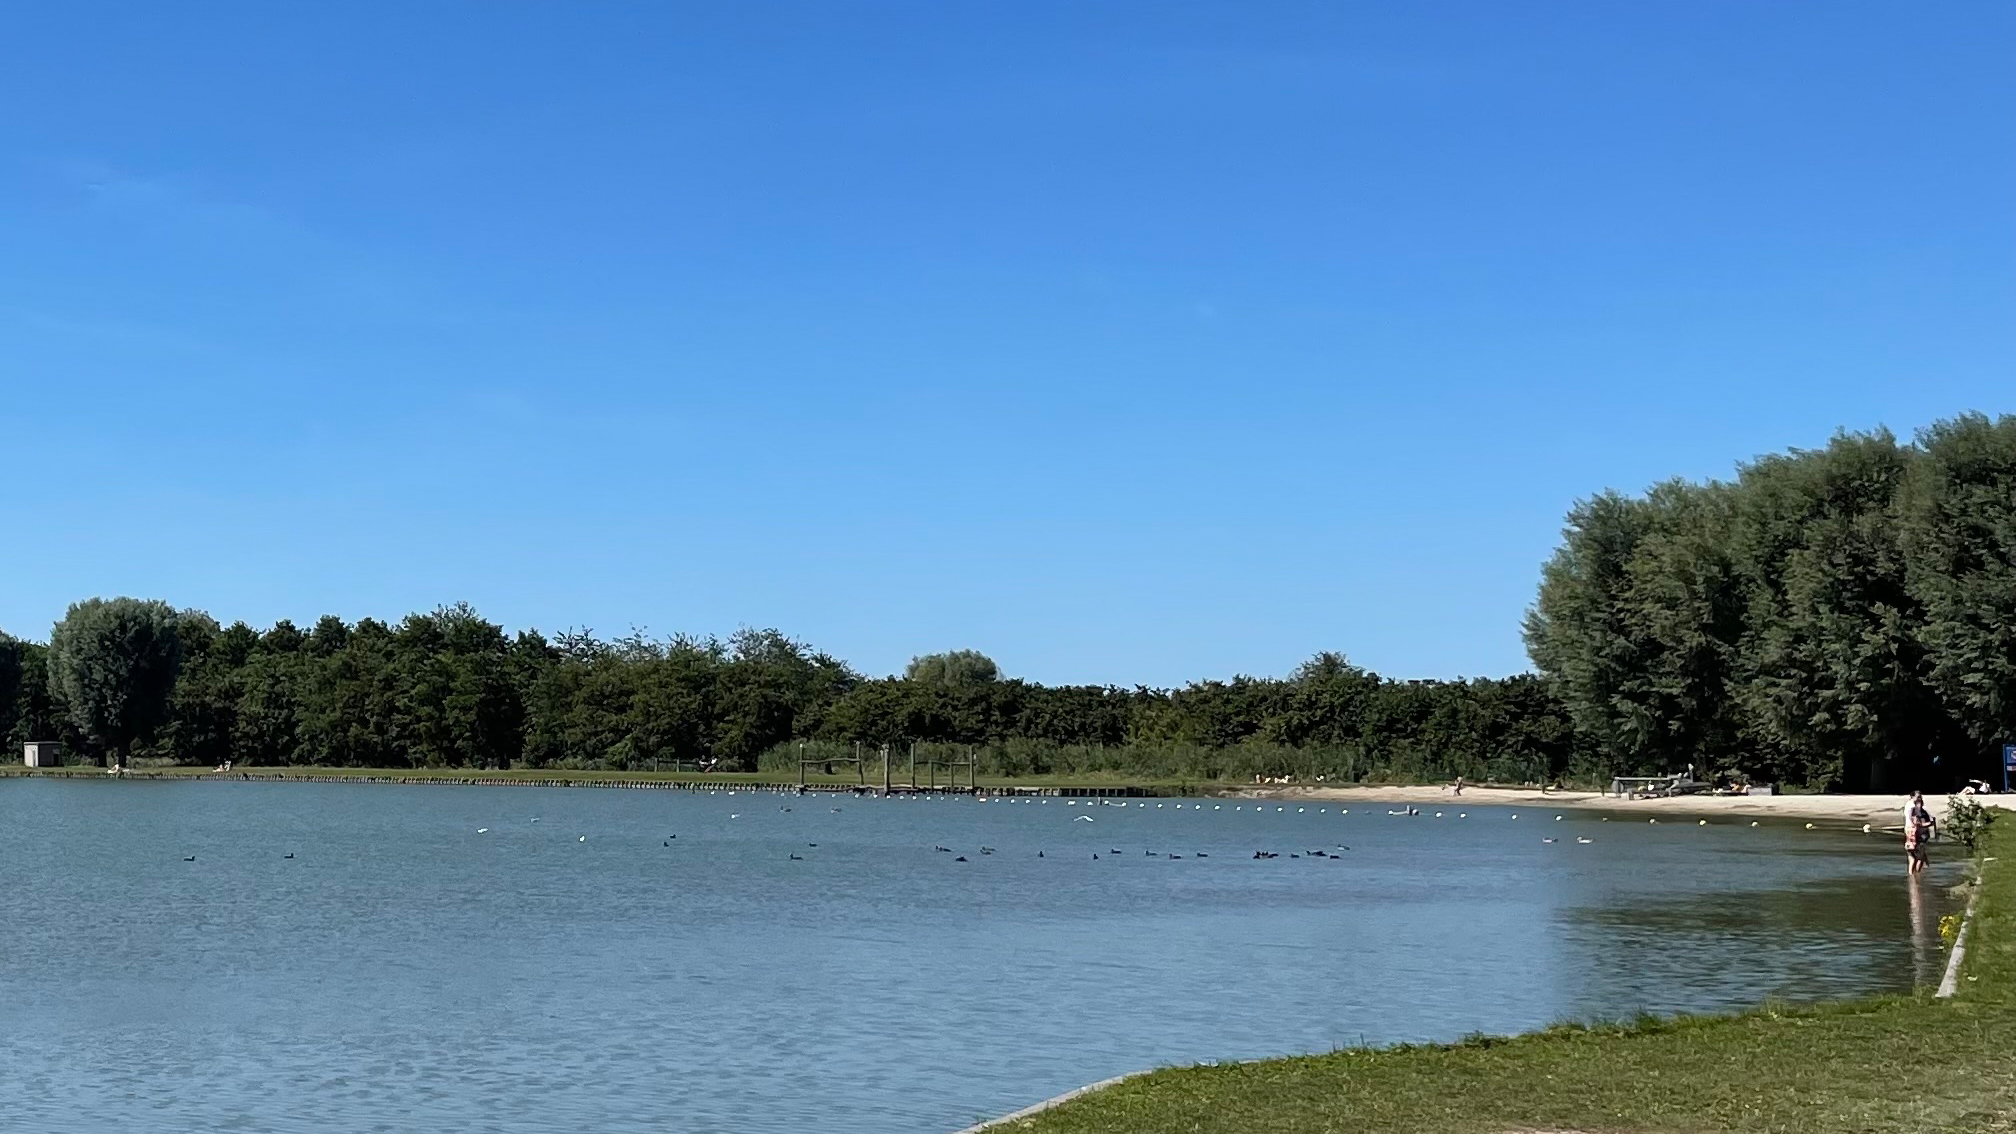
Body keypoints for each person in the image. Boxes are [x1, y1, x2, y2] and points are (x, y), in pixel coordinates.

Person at [1904, 791, 1936, 875]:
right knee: (1917, 858)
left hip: (1911, 832)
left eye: (1920, 798)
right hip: (1915, 833)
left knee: (1914, 857)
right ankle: (1916, 877)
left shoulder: (1911, 807)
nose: (1920, 799)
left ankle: (1912, 877)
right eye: (1918, 798)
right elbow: (1917, 823)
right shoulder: (1912, 808)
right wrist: (1930, 823)